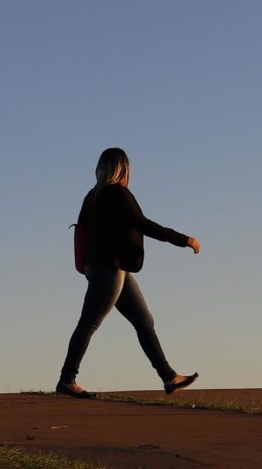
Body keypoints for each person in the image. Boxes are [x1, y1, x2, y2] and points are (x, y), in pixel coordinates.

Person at [57, 147, 201, 399]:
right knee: (89, 323)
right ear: (123, 169)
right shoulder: (117, 193)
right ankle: (67, 380)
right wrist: (184, 240)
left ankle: (169, 377)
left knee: (144, 320)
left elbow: (84, 233)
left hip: (104, 267)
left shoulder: (92, 196)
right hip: (109, 269)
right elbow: (143, 224)